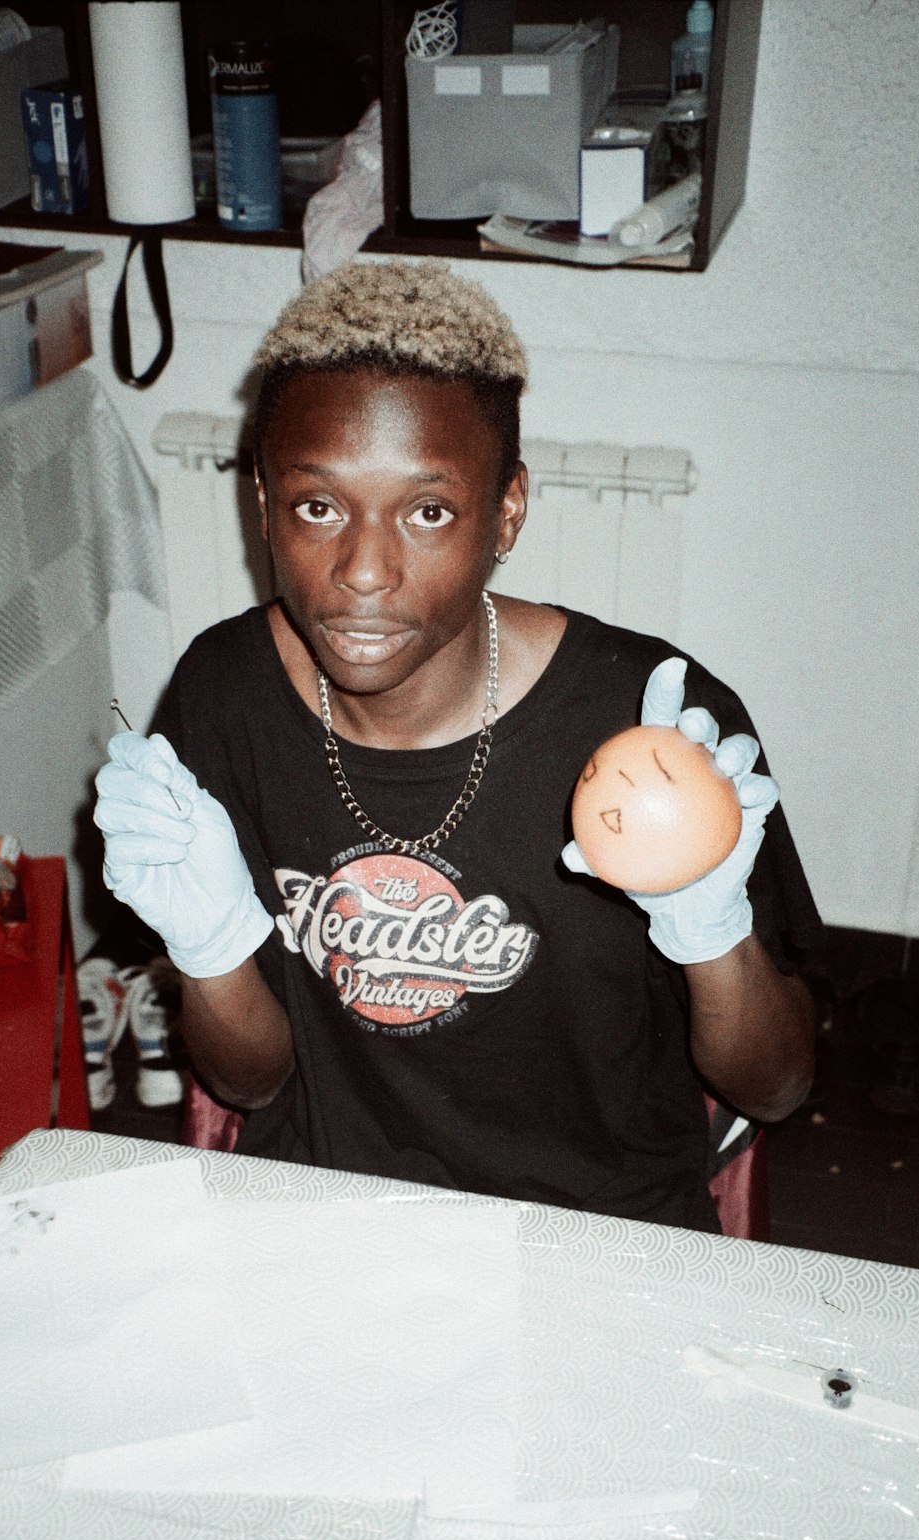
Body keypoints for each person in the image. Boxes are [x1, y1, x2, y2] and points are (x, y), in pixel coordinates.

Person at [94, 260, 820, 1233]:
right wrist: (211, 949)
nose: (361, 571)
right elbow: (252, 1083)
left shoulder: (650, 726)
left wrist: (710, 932)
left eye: (428, 512)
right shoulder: (224, 695)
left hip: (594, 1232)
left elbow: (775, 1090)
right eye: (319, 506)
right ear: (263, 503)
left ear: (506, 513)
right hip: (331, 1209)